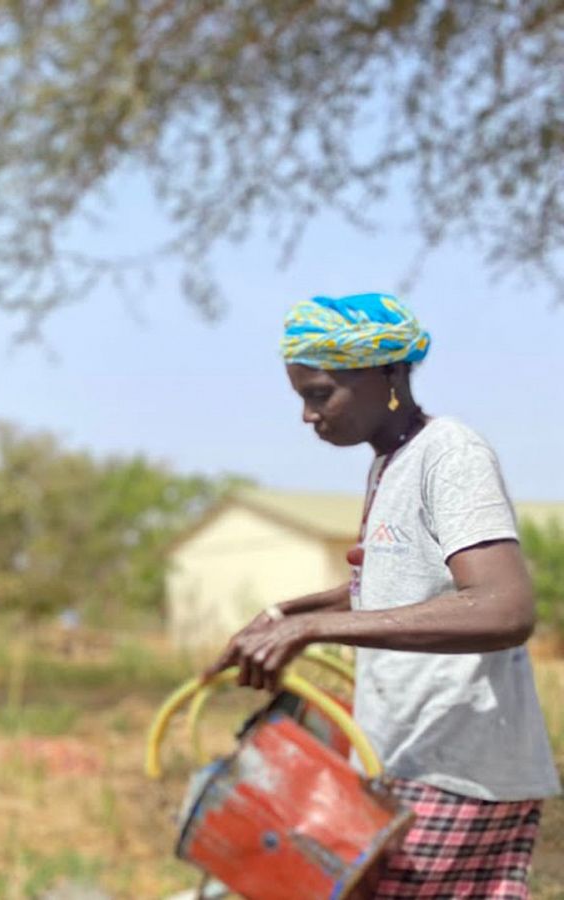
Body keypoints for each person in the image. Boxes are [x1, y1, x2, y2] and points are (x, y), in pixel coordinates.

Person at [209, 293, 558, 897]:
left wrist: (311, 630)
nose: (308, 415)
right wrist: (283, 616)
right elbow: (392, 588)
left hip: (460, 767)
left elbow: (503, 607)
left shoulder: (450, 454)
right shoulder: (390, 465)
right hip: (404, 757)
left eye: (321, 394)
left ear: (389, 375)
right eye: (301, 397)